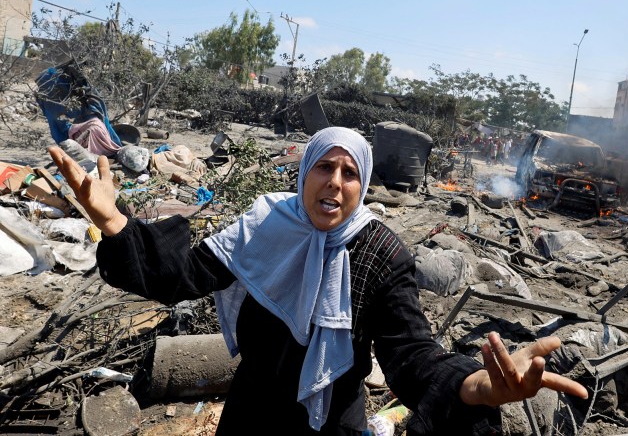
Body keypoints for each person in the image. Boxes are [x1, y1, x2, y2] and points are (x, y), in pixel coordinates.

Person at [48, 127, 588, 436]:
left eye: (349, 172)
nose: (334, 182)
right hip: (252, 415)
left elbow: (410, 353)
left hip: (330, 425)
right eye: (323, 167)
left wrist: (474, 386)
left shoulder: (380, 252)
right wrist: (115, 222)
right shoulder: (266, 224)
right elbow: (187, 273)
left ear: (364, 184)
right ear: (304, 172)